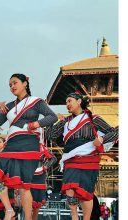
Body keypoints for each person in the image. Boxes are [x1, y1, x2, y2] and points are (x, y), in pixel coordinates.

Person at [0, 73, 58, 220]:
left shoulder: (36, 101)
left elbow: (52, 116)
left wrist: (36, 124)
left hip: (29, 144)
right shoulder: (8, 106)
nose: (12, 86)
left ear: (25, 83)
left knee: (23, 186)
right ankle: (8, 209)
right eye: (10, 85)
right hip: (12, 144)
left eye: (15, 83)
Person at [46, 92, 118, 220]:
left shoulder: (93, 119)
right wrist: (53, 120)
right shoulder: (65, 122)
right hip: (70, 159)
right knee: (69, 189)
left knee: (86, 193)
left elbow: (115, 132)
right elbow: (50, 135)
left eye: (70, 101)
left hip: (89, 159)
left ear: (79, 101)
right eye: (66, 102)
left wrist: (101, 139)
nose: (67, 104)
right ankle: (74, 216)